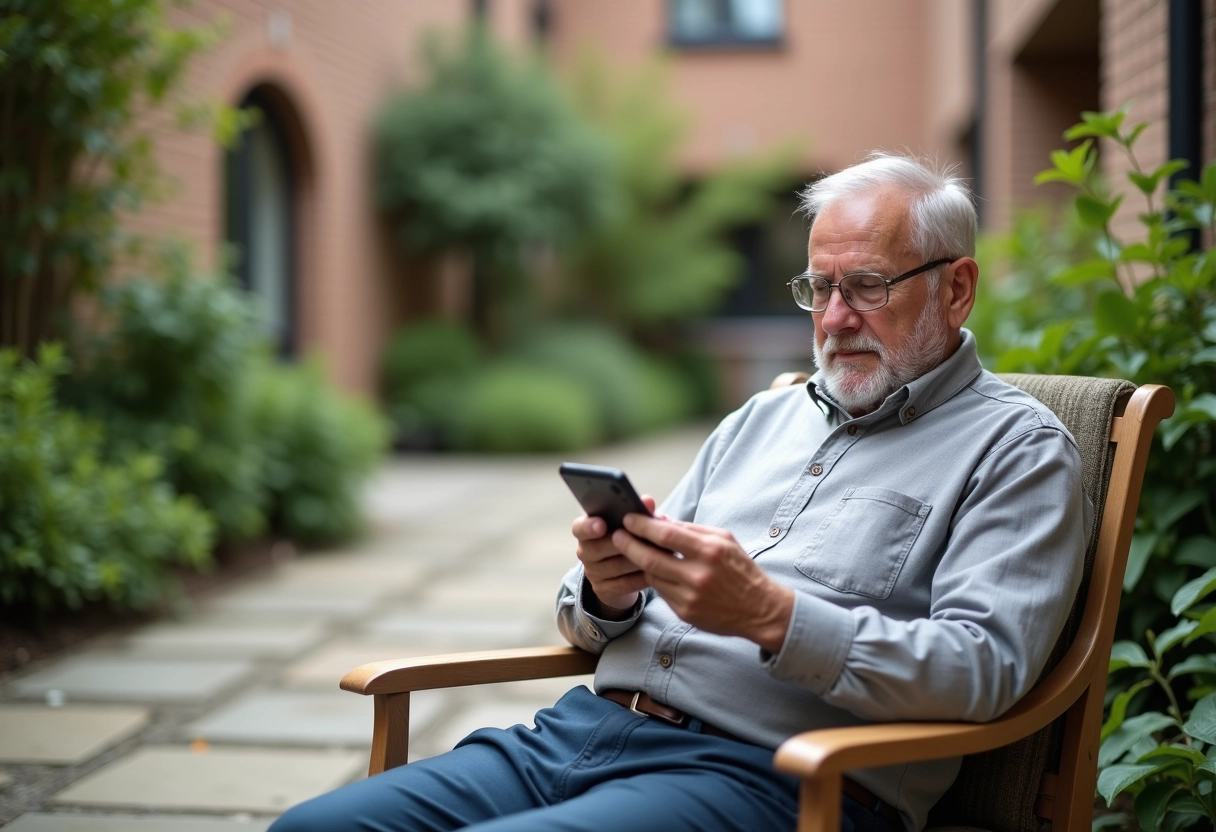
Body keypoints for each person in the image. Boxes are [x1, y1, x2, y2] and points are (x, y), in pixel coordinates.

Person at [269, 153, 1089, 832]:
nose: (835, 318)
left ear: (956, 288)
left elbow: (986, 669)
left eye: (867, 286)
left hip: (775, 780)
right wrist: (606, 589)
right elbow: (588, 614)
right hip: (581, 734)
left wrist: (772, 615)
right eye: (817, 288)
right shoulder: (762, 418)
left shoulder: (1017, 451)